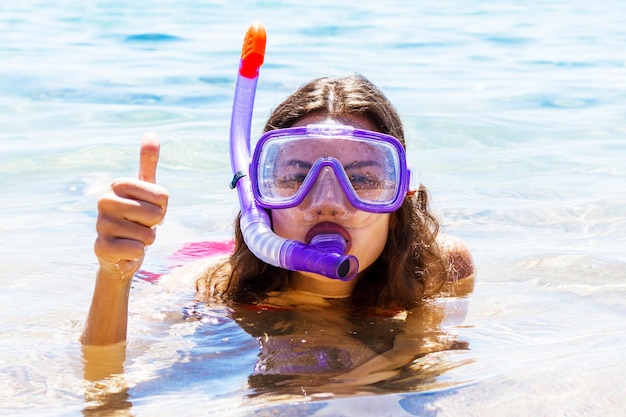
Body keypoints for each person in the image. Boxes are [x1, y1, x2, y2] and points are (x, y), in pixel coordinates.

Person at [80, 74, 474, 350]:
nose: (328, 202)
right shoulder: (211, 289)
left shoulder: (442, 268)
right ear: (256, 195)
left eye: (364, 179)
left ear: (403, 195)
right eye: (296, 176)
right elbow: (103, 368)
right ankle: (91, 184)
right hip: (205, 257)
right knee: (163, 231)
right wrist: (114, 273)